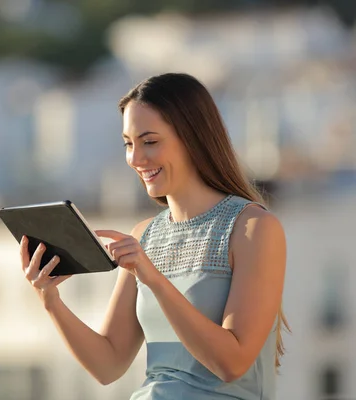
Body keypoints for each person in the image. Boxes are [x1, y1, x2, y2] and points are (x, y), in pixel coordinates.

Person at [19, 73, 289, 399]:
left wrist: (153, 278)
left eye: (149, 142)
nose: (135, 158)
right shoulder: (145, 235)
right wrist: (50, 301)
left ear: (193, 138)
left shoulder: (253, 228)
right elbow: (109, 364)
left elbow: (232, 363)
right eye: (128, 144)